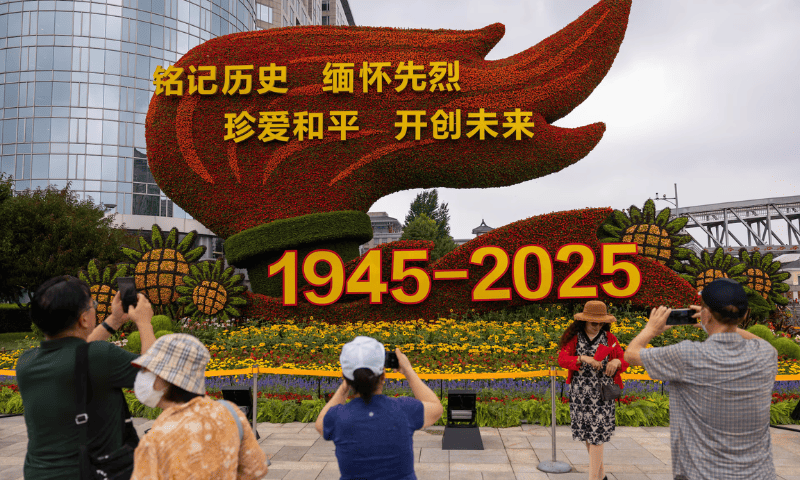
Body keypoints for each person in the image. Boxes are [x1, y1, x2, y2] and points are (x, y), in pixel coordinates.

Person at [624, 278, 778, 480]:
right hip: (759, 474)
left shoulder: (688, 355)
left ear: (706, 314)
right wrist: (720, 324)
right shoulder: (765, 354)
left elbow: (632, 355)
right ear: (745, 314)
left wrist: (651, 329)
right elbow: (768, 345)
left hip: (703, 473)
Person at [17, 275, 156, 479]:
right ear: (83, 318)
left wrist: (114, 320)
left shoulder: (26, 363)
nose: (95, 308)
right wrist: (144, 323)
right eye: (93, 304)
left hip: (38, 473)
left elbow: (79, 351)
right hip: (90, 472)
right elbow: (154, 377)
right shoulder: (100, 356)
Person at [130, 333, 269, 480]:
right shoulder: (231, 412)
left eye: (147, 372)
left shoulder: (155, 440)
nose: (142, 377)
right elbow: (257, 469)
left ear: (163, 379)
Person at [315, 336, 444, 480]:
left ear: (346, 376)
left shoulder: (338, 417)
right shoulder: (404, 410)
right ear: (383, 375)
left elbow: (320, 423)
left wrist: (345, 387)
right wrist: (407, 370)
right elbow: (436, 408)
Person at [557, 300, 629, 480]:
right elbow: (562, 359)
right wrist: (582, 358)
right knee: (588, 435)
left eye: (601, 323)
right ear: (584, 321)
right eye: (593, 323)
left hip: (602, 395)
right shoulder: (574, 337)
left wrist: (617, 361)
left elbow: (625, 359)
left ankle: (593, 479)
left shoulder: (610, 339)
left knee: (597, 435)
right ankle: (602, 476)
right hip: (580, 393)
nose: (598, 326)